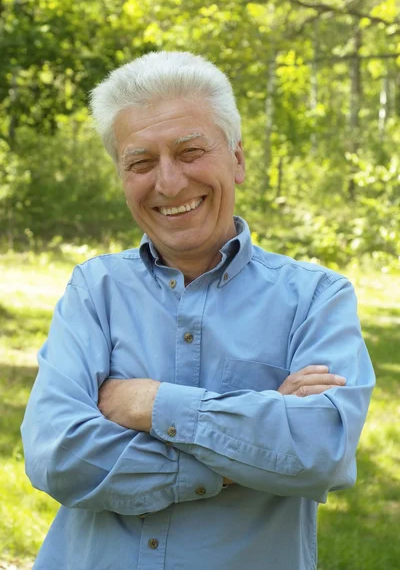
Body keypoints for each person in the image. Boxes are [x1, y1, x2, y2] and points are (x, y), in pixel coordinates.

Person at [21, 51, 375, 570]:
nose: (168, 182)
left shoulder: (317, 296)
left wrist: (148, 403)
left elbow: (322, 451)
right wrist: (249, 442)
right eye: (141, 162)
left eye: (190, 151)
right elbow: (58, 457)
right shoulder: (94, 289)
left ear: (238, 159)